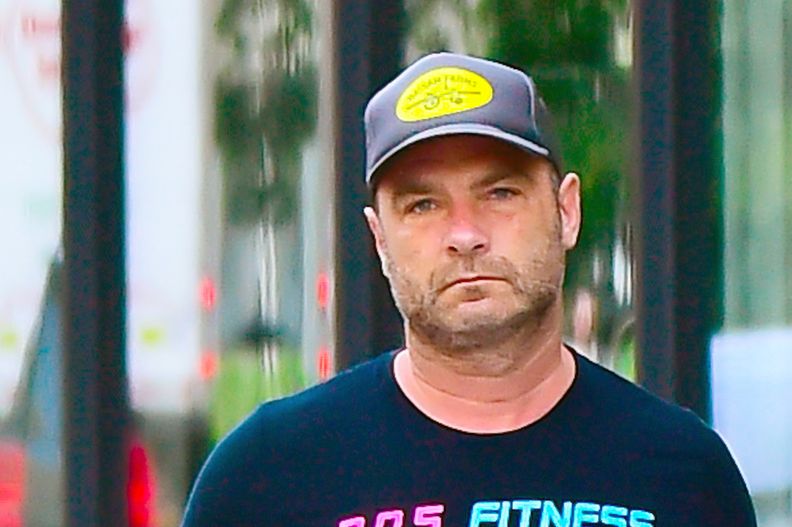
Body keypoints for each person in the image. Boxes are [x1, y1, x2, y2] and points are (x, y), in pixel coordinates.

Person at [180, 52, 757, 527]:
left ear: (567, 211)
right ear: (379, 239)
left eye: (499, 193)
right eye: (423, 205)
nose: (464, 235)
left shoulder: (683, 474)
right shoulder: (265, 479)